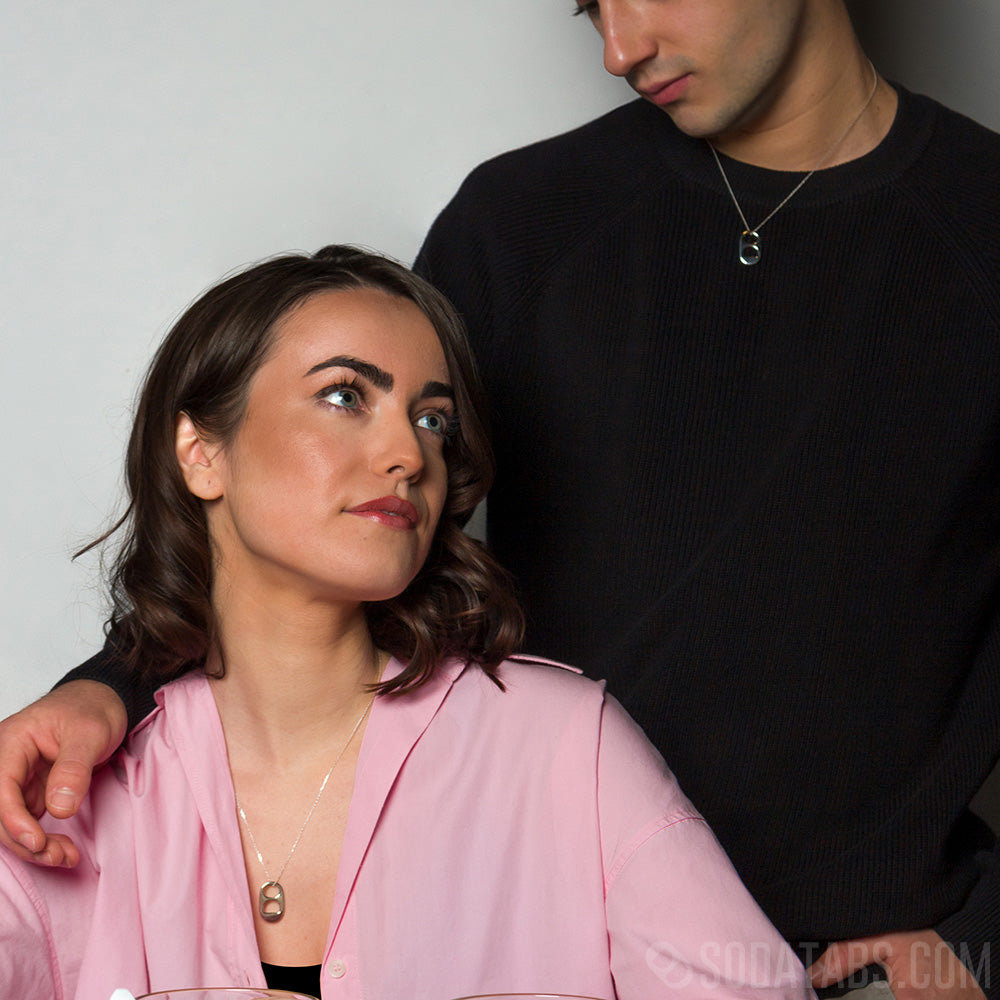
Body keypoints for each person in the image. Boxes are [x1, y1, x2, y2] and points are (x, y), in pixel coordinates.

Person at [1, 0, 998, 997]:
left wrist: (981, 936)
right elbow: (311, 508)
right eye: (591, 7)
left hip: (863, 963)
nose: (620, 48)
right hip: (509, 934)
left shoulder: (979, 225)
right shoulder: (526, 220)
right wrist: (112, 684)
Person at [0, 246, 811, 1000]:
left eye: (433, 420)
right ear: (201, 452)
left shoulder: (565, 748)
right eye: (345, 396)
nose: (410, 454)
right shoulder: (66, 788)